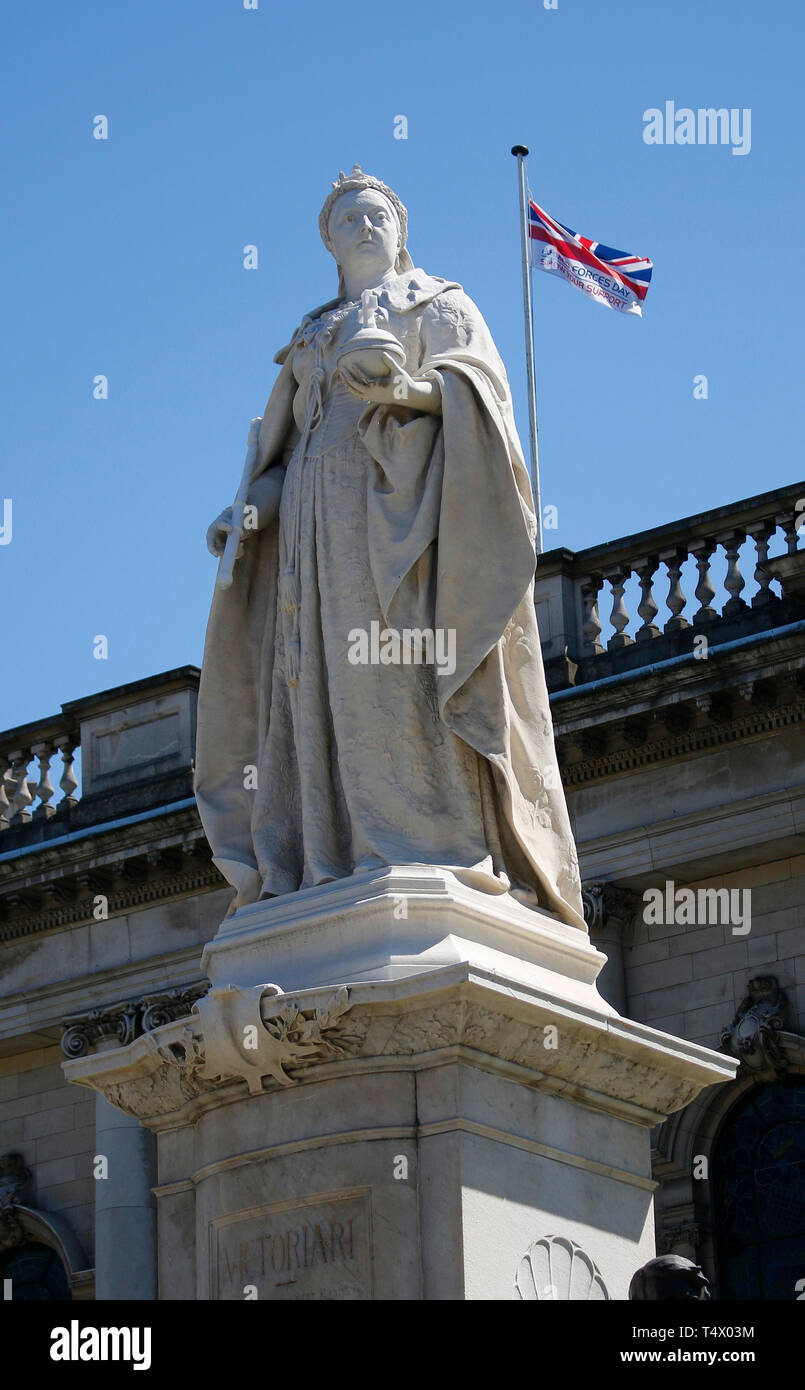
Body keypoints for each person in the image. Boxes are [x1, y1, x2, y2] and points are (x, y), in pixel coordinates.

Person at [196, 166, 584, 930]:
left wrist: (403, 392)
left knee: (396, 675)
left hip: (402, 518)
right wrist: (247, 510)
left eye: (377, 215)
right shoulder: (308, 335)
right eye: (348, 220)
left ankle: (424, 842)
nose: (365, 226)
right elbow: (287, 451)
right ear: (329, 245)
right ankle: (329, 853)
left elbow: (483, 397)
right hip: (311, 530)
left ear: (401, 231)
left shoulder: (438, 303)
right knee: (320, 688)